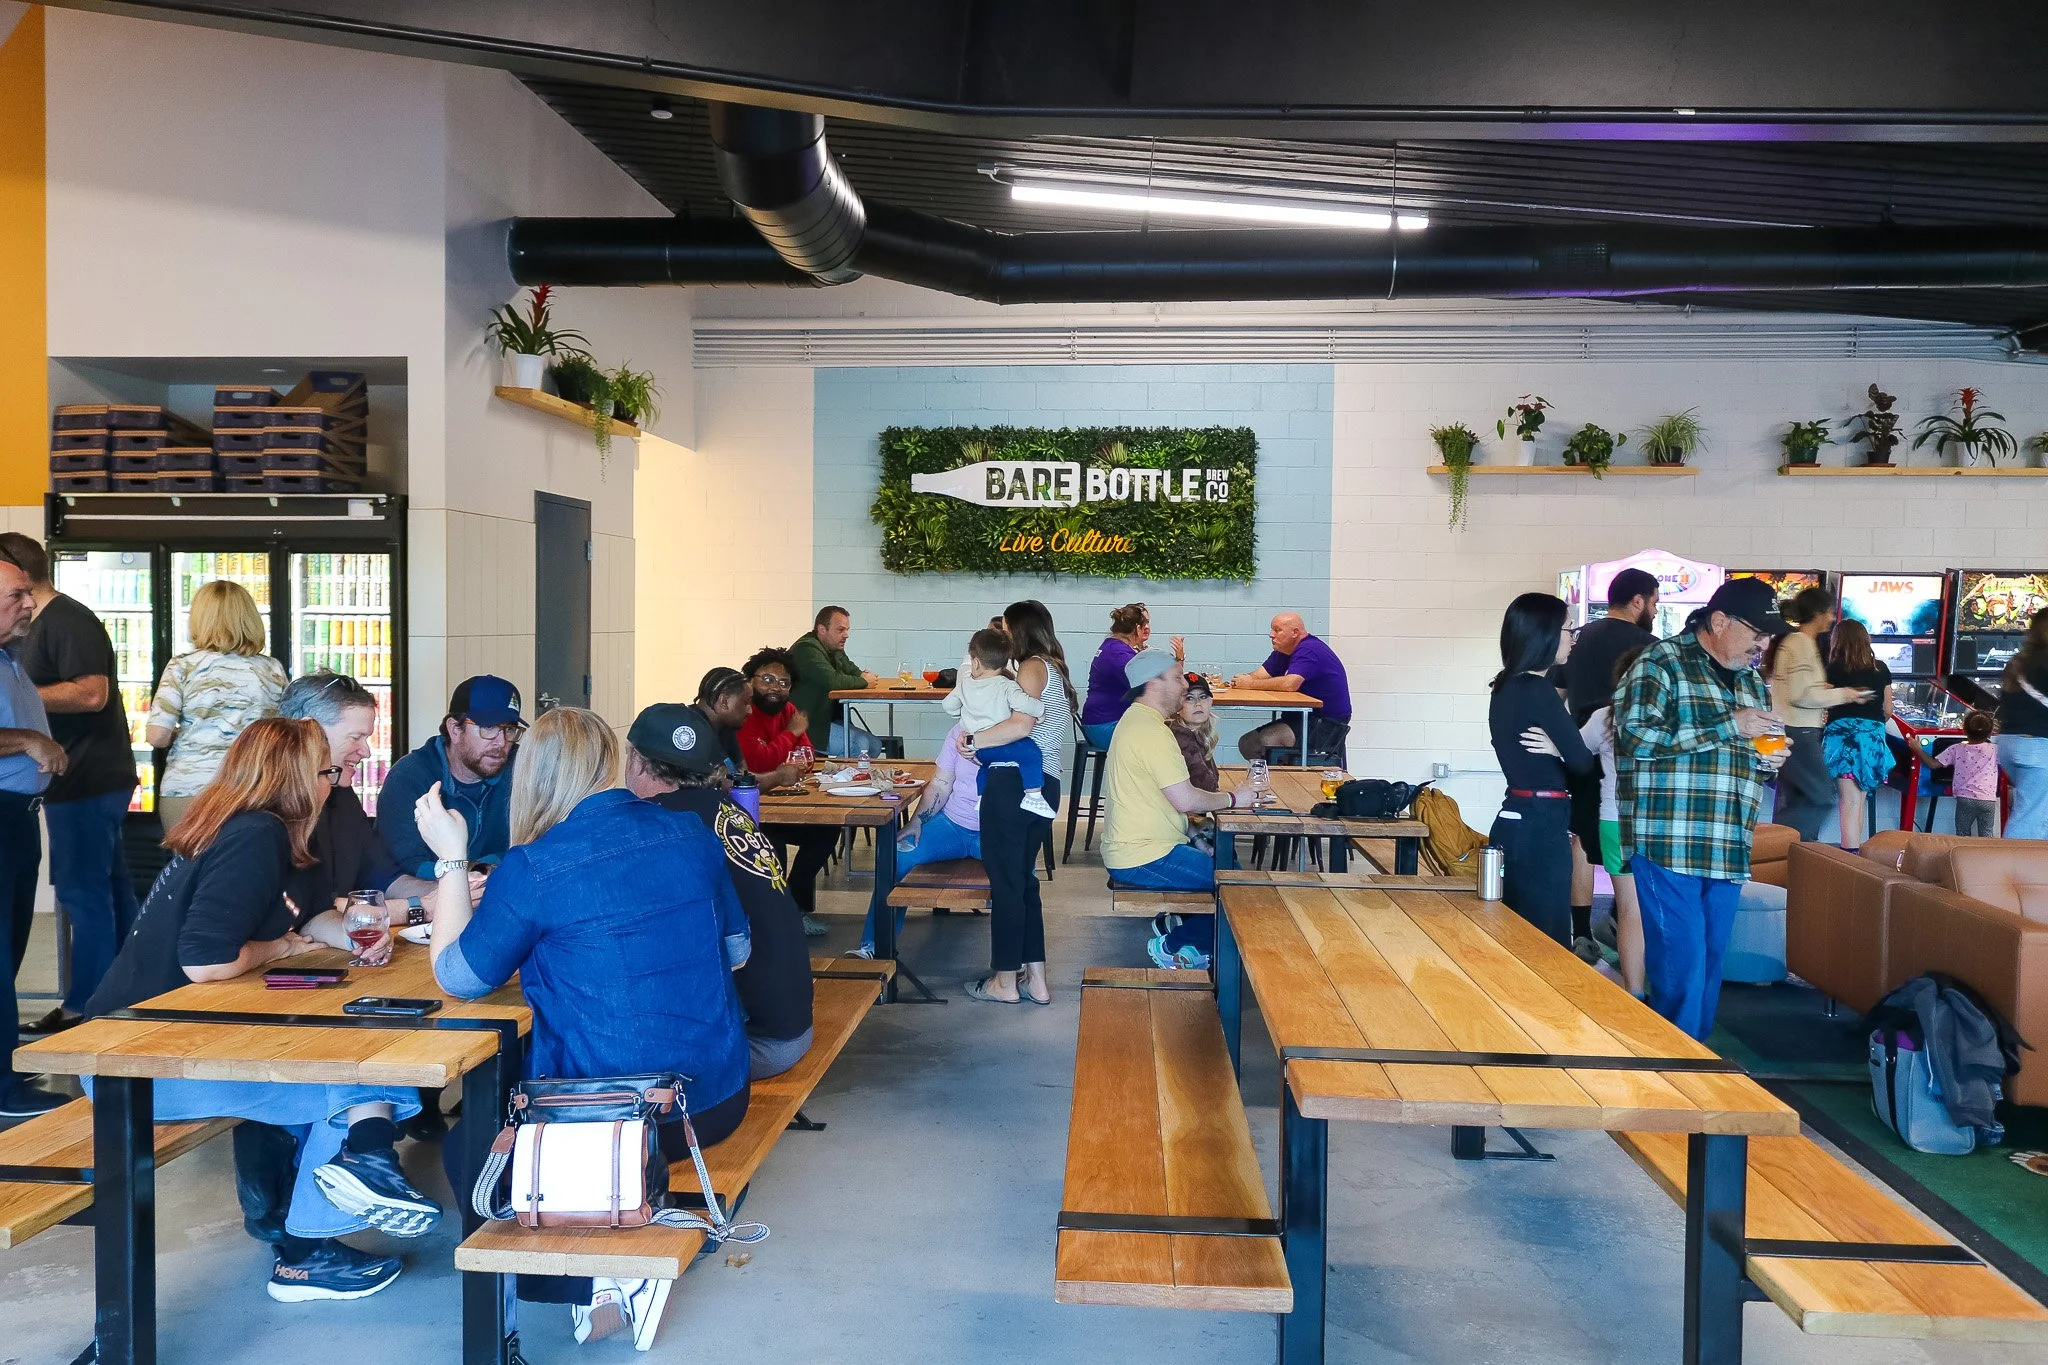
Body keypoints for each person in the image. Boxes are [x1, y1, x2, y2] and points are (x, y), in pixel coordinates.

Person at [421, 706, 750, 1347]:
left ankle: (591, 1276)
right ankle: (614, 1248)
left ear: (533, 774)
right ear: (618, 762)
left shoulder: (535, 866)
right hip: (715, 1097)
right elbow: (735, 950)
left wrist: (452, 860)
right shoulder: (692, 836)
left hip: (624, 1118)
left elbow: (459, 978)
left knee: (468, 1149)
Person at [82, 718, 438, 1303]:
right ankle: (315, 1241)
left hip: (175, 1042)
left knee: (361, 1071)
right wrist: (281, 949)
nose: (335, 782)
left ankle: (361, 1171)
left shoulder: (279, 835)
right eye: (326, 772)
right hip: (130, 1064)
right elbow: (206, 961)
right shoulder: (253, 835)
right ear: (294, 778)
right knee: (344, 1090)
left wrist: (360, 939)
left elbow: (314, 914)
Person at [1614, 578, 1791, 1041]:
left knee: (1710, 966)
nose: (1764, 643)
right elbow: (1634, 739)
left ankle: (1695, 1074)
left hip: (1728, 844)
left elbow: (1760, 751)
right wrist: (1728, 725)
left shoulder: (1752, 679)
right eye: (1757, 631)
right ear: (1718, 621)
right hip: (1670, 842)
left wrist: (1770, 759)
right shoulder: (1660, 664)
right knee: (1682, 968)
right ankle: (1675, 1081)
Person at [625, 703, 812, 1080]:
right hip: (791, 1025)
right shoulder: (729, 809)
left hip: (754, 1042)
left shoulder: (662, 827)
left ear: (637, 761)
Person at [0, 533, 140, 1036]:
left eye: (19, 592)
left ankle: (88, 1005)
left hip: (86, 778)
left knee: (85, 893)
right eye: (14, 599)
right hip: (72, 782)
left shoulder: (67, 620)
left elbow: (92, 693)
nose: (24, 605)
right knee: (107, 890)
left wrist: (27, 707)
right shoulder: (24, 639)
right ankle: (122, 995)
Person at [957, 600, 1071, 1006]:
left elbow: (1023, 724)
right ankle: (1036, 981)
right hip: (1043, 785)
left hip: (1012, 785)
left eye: (1005, 628)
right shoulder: (1052, 667)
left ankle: (1005, 982)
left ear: (1019, 630)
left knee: (1006, 885)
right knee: (1023, 882)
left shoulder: (1032, 667)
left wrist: (974, 741)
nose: (1001, 635)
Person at [1487, 593, 1600, 947]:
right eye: (1569, 629)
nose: (1573, 638)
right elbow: (1582, 762)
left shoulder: (1503, 685)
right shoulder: (1539, 689)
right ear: (1545, 634)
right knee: (1547, 939)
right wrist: (1563, 749)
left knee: (1514, 932)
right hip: (1542, 824)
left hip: (1515, 818)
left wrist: (1560, 749)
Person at [0, 556, 69, 1117]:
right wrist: (26, 740)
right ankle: (2, 1085)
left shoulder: (10, 654)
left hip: (18, 817)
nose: (30, 603)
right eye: (17, 595)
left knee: (12, 948)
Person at [1561, 566, 1659, 951]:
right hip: (1627, 758)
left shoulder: (1578, 638)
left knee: (1581, 841)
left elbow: (1558, 694)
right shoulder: (1648, 645)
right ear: (1638, 601)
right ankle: (1621, 923)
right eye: (1654, 601)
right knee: (1633, 847)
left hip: (1582, 745)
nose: (1654, 609)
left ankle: (1582, 932)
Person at [147, 580, 289, 830]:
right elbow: (285, 732)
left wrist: (192, 730)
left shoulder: (182, 666)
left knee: (190, 868)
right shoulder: (272, 669)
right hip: (253, 789)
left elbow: (158, 736)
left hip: (189, 789)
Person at [853, 721, 982, 959]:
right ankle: (874, 946)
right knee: (899, 854)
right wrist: (917, 821)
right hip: (953, 823)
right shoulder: (959, 729)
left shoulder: (1015, 729)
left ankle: (1023, 962)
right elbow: (942, 785)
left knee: (1022, 871)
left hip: (994, 829)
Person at [376, 675, 521, 880]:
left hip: (498, 890)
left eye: (510, 729)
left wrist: (481, 869)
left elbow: (534, 842)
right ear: (454, 729)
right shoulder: (409, 776)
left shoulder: (521, 770)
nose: (502, 742)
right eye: (489, 727)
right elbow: (408, 862)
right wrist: (469, 873)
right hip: (427, 895)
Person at [740, 647, 833, 936]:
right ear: (751, 680)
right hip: (748, 809)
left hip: (780, 803)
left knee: (826, 830)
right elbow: (755, 762)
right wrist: (789, 736)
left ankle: (795, 906)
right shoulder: (744, 711)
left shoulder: (788, 710)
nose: (775, 688)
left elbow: (807, 755)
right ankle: (772, 919)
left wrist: (782, 755)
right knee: (772, 842)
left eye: (784, 683)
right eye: (767, 679)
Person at [1768, 587, 1870, 842]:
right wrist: (1846, 694)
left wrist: (1824, 689)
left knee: (1797, 798)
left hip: (1789, 730)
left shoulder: (1794, 642)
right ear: (1817, 613)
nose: (1832, 618)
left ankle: (1785, 854)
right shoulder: (1801, 643)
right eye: (1829, 612)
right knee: (1822, 796)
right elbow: (1803, 696)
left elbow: (1798, 689)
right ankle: (1785, 847)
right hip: (1799, 733)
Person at [1578, 644, 1650, 996]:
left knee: (1630, 910)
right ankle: (1665, 992)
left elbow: (1575, 752)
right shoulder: (1677, 717)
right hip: (1662, 824)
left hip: (1614, 819)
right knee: (1662, 910)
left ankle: (1635, 993)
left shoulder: (1606, 717)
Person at [946, 627, 1057, 819]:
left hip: (978, 748)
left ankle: (982, 798)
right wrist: (1040, 712)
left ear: (975, 662)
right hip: (998, 742)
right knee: (1030, 752)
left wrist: (961, 714)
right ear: (1006, 663)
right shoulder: (1006, 686)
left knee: (985, 767)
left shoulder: (964, 685)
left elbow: (948, 705)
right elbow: (1025, 704)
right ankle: (1033, 796)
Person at [1230, 612, 1352, 765]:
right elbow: (1257, 676)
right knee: (1247, 743)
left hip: (1326, 723)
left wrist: (1249, 684)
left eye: (1277, 630)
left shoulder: (1309, 649)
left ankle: (1279, 782)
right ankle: (1269, 779)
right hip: (1300, 718)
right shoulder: (1284, 651)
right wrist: (1236, 682)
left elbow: (1290, 685)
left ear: (1295, 632)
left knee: (1266, 741)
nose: (1271, 634)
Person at [1822, 618, 1894, 851]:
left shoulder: (1831, 669)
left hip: (1842, 739)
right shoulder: (1880, 668)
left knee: (1849, 803)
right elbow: (1888, 710)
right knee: (1859, 802)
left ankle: (1850, 858)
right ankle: (1856, 854)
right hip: (1872, 740)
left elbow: (1821, 702)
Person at [1079, 603, 1182, 749]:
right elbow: (1149, 687)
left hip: (1100, 722)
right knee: (1171, 737)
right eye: (1144, 624)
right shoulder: (1120, 654)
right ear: (1137, 628)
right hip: (1106, 726)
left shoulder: (1112, 647)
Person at [788, 605, 881, 758]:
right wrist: (863, 682)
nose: (846, 635)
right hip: (807, 724)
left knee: (875, 745)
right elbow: (833, 680)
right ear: (822, 629)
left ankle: (854, 778)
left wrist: (863, 677)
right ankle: (846, 780)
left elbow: (852, 670)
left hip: (827, 719)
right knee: (860, 745)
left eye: (847, 630)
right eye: (840, 630)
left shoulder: (832, 647)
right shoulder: (806, 649)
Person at [1995, 606, 2048, 840]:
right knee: (2030, 815)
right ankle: (2014, 872)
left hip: (2009, 743)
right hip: (2037, 746)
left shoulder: (2018, 662)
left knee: (2038, 811)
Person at [1906, 710, 2000, 838]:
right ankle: (1986, 857)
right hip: (1988, 800)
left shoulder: (1956, 748)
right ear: (1990, 732)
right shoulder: (1995, 749)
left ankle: (1962, 857)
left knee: (1962, 833)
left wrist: (1918, 749)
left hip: (1965, 799)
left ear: (1964, 730)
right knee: (1987, 834)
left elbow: (1933, 764)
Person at [696, 666, 755, 780]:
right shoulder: (693, 729)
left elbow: (742, 775)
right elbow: (724, 784)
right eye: (746, 702)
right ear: (724, 701)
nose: (750, 711)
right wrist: (778, 777)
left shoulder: (726, 726)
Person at [1171, 673, 1222, 792]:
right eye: (1189, 698)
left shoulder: (1197, 733)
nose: (1198, 703)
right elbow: (1205, 785)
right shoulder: (1181, 737)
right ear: (1177, 706)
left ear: (1211, 702)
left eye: (1203, 697)